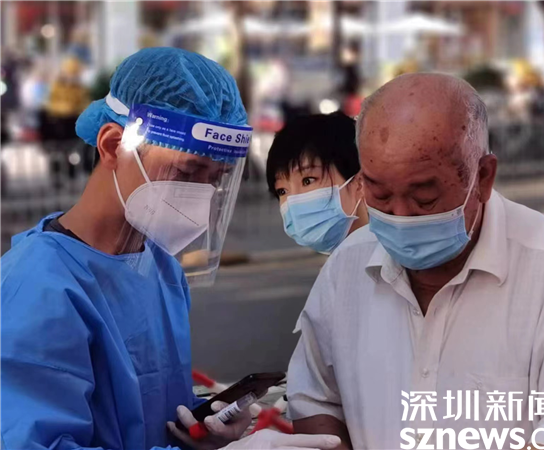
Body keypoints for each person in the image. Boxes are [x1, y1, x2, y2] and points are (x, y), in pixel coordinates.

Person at [1, 47, 340, 450]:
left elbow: (145, 411)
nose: (201, 192)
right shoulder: (37, 286)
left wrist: (201, 426)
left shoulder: (160, 268)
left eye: (216, 177)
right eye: (187, 171)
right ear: (113, 145)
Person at [286, 73, 544, 449]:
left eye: (424, 198)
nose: (400, 216)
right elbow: (315, 398)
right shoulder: (347, 266)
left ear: (483, 177)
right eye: (380, 195)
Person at [266, 113, 368, 255]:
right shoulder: (337, 267)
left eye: (307, 181)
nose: (293, 200)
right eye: (282, 191)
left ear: (359, 183)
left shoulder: (391, 263)